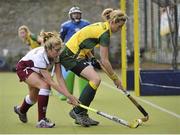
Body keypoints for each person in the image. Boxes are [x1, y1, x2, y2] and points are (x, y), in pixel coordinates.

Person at [59, 8, 127, 127]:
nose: (120, 29)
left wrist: (91, 57)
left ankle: (82, 113)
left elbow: (85, 40)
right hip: (71, 56)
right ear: (112, 22)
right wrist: (115, 78)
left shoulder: (102, 26)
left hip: (77, 54)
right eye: (119, 26)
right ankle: (78, 112)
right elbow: (105, 60)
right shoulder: (105, 33)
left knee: (94, 80)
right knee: (95, 79)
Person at [14, 31, 79, 128]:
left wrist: (69, 95)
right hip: (24, 68)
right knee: (45, 85)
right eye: (56, 50)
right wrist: (70, 97)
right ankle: (41, 121)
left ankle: (21, 110)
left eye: (59, 50)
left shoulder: (56, 56)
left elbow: (60, 78)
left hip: (35, 70)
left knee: (33, 98)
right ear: (48, 49)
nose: (58, 53)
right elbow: (50, 81)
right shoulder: (40, 56)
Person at [59, 6, 90, 100]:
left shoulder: (86, 24)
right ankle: (66, 93)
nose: (76, 15)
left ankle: (84, 95)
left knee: (84, 72)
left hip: (83, 52)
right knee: (68, 72)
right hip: (69, 52)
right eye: (74, 13)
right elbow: (61, 38)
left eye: (78, 13)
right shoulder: (65, 25)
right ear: (70, 15)